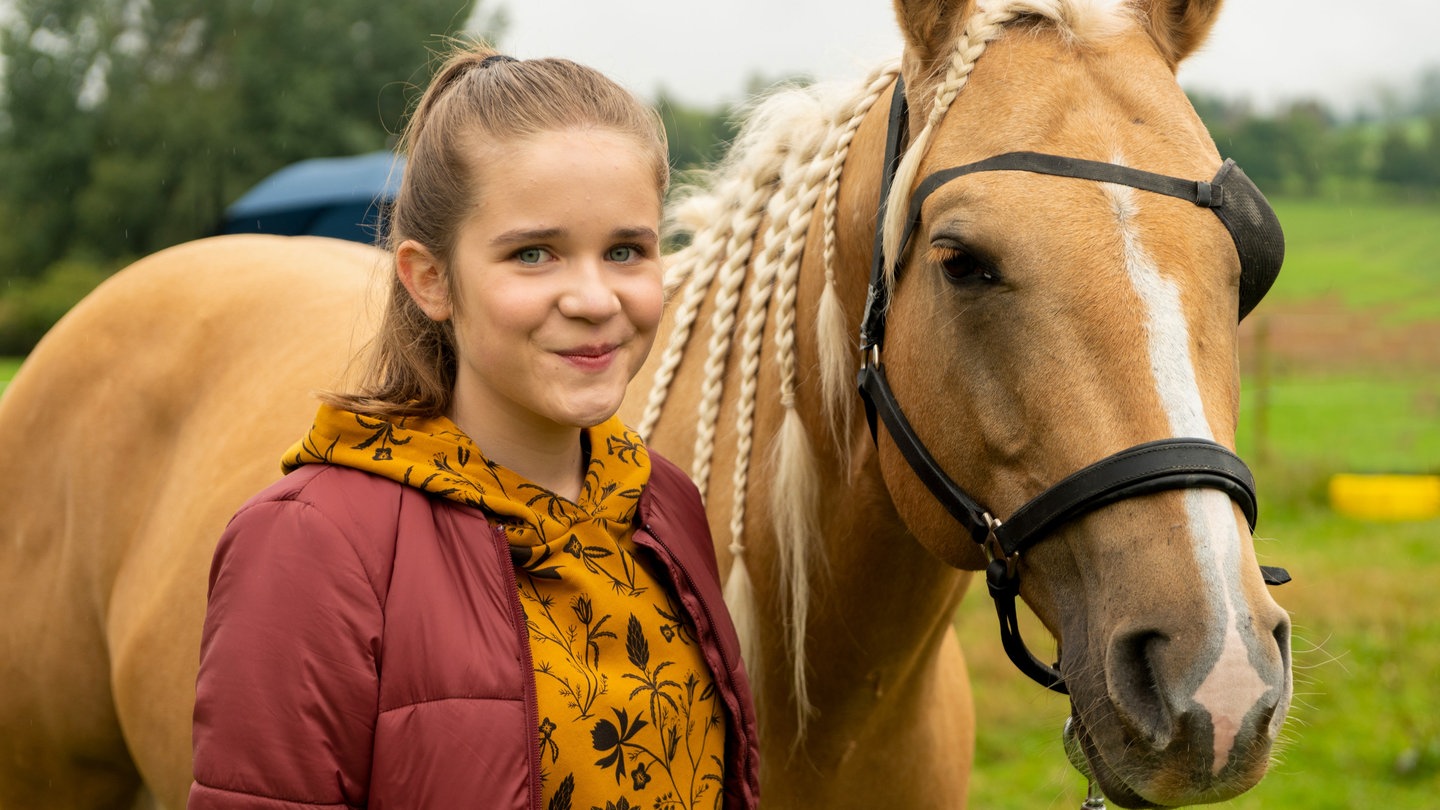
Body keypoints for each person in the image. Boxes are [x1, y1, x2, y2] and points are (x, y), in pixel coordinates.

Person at [188, 45, 759, 810]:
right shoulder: (311, 545)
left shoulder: (665, 504)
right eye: (534, 254)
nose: (594, 297)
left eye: (626, 250)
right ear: (430, 279)